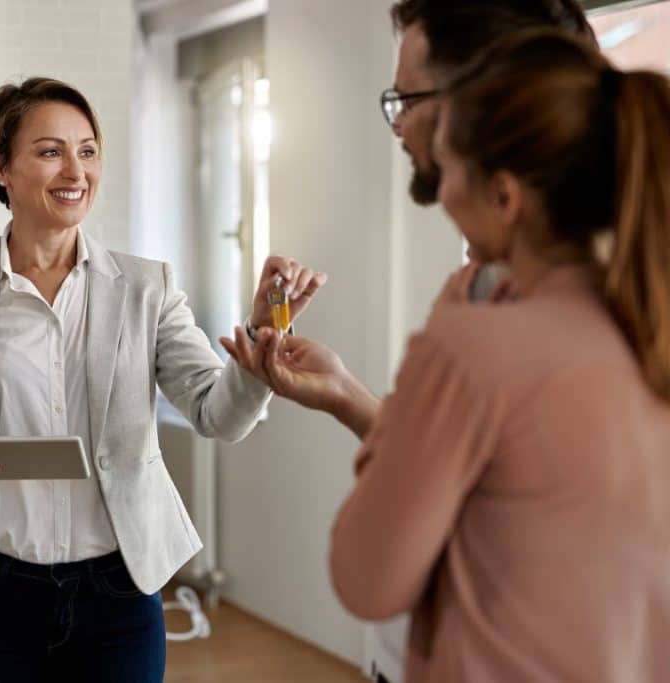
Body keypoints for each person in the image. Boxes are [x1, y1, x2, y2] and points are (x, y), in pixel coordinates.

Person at [229, 30, 670, 681]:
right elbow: (512, 492)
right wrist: (350, 393)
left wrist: (445, 340)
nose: (411, 134)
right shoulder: (644, 318)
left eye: (447, 153)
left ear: (504, 195)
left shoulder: (473, 341)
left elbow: (365, 577)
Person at [0, 77, 326, 682]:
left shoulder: (149, 289)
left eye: (88, 150)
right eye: (50, 151)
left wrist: (257, 339)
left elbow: (216, 413)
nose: (76, 170)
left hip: (116, 599)